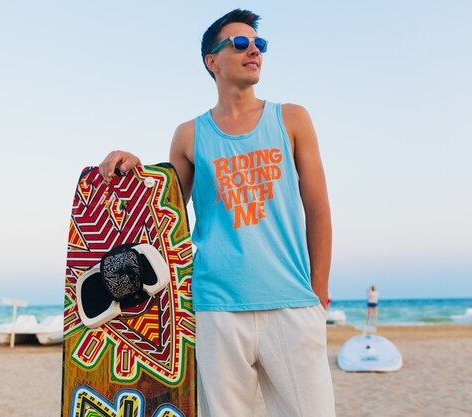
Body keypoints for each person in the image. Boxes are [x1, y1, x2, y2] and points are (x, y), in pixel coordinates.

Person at [99, 9, 335, 417]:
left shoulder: (292, 119)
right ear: (212, 60)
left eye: (259, 45)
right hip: (216, 308)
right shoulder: (189, 134)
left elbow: (317, 209)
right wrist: (135, 168)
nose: (253, 52)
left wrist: (319, 293)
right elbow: (166, 212)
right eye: (240, 44)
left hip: (292, 305)